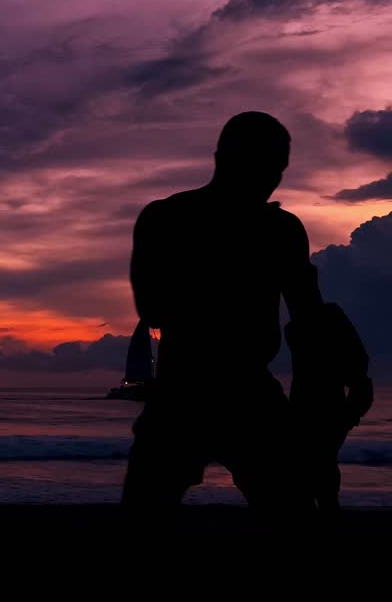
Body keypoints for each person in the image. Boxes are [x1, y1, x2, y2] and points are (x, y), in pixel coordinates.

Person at [122, 111, 325, 511]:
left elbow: (153, 309)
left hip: (192, 392)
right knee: (292, 514)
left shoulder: (164, 217)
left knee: (146, 514)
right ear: (223, 159)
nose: (271, 179)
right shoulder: (279, 229)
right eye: (266, 166)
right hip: (230, 394)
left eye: (277, 169)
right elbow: (308, 319)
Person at [284, 295, 374, 512]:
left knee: (319, 472)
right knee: (312, 474)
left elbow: (358, 373)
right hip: (306, 412)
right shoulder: (294, 328)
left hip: (326, 411)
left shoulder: (327, 320)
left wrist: (351, 413)